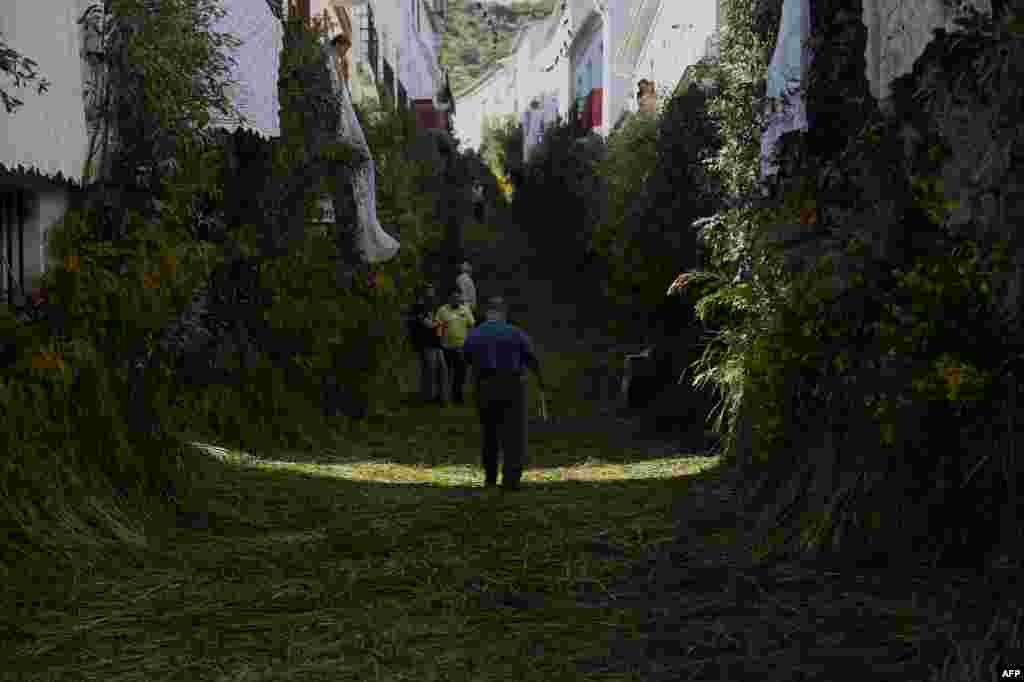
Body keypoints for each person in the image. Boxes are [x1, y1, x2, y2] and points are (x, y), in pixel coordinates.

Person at [462, 296, 546, 491]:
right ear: (504, 313)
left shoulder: (475, 334)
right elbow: (531, 359)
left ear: (487, 313)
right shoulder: (516, 333)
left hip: (484, 386)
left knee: (489, 433)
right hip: (512, 386)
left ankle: (490, 477)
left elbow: (466, 358)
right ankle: (511, 479)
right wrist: (540, 381)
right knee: (514, 434)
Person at [407, 284, 449, 404]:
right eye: (430, 291)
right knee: (430, 370)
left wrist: (438, 324)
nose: (432, 292)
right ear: (424, 292)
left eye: (433, 290)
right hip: (426, 343)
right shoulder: (419, 306)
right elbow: (427, 324)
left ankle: (441, 396)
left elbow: (436, 322)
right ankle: (427, 397)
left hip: (437, 342)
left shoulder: (433, 305)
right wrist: (439, 323)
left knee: (442, 369)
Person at [435, 289, 475, 404]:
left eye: (458, 298)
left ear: (460, 298)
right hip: (446, 347)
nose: (456, 299)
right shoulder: (442, 310)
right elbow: (438, 326)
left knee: (460, 373)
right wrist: (439, 340)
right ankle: (442, 396)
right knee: (444, 373)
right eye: (453, 298)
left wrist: (470, 341)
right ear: (449, 298)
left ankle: (457, 396)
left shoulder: (465, 309)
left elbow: (471, 325)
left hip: (461, 347)